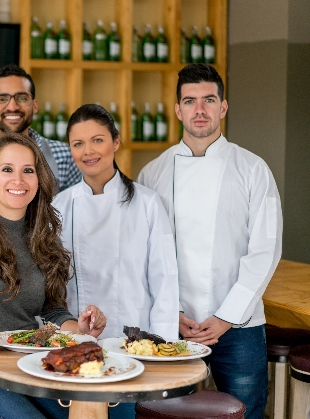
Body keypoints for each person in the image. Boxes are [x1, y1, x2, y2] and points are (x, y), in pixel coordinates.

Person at [137, 63, 283, 419]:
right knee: (167, 414)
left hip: (239, 326)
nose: (199, 110)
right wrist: (173, 312)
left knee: (245, 413)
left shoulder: (252, 169)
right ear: (177, 109)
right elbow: (145, 254)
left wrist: (226, 316)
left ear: (223, 107)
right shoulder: (152, 173)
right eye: (190, 101)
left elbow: (265, 250)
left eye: (208, 100)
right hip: (172, 325)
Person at [0, 132, 107, 419]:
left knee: (88, 412)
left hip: (27, 359)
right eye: (7, 170)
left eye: (28, 170)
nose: (18, 180)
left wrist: (81, 331)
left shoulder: (45, 239)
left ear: (38, 180)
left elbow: (55, 311)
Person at [52, 104, 179, 419]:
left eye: (97, 140)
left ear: (116, 141)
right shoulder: (60, 206)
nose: (88, 151)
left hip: (134, 347)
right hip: (77, 347)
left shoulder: (148, 204)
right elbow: (50, 285)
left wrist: (162, 353)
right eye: (78, 143)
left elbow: (164, 283)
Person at [0, 64, 82, 192]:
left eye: (22, 98)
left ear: (34, 105)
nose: (12, 107)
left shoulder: (66, 156)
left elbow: (75, 208)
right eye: (2, 99)